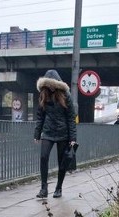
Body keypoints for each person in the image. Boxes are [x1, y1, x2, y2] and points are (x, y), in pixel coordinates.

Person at [33, 69, 77, 199]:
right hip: (48, 132)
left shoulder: (65, 95)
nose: (51, 86)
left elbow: (71, 118)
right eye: (48, 84)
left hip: (63, 133)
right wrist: (37, 133)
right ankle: (43, 188)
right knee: (43, 157)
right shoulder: (43, 94)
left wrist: (72, 138)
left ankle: (58, 188)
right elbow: (40, 116)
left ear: (57, 83)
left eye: (53, 84)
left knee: (61, 162)